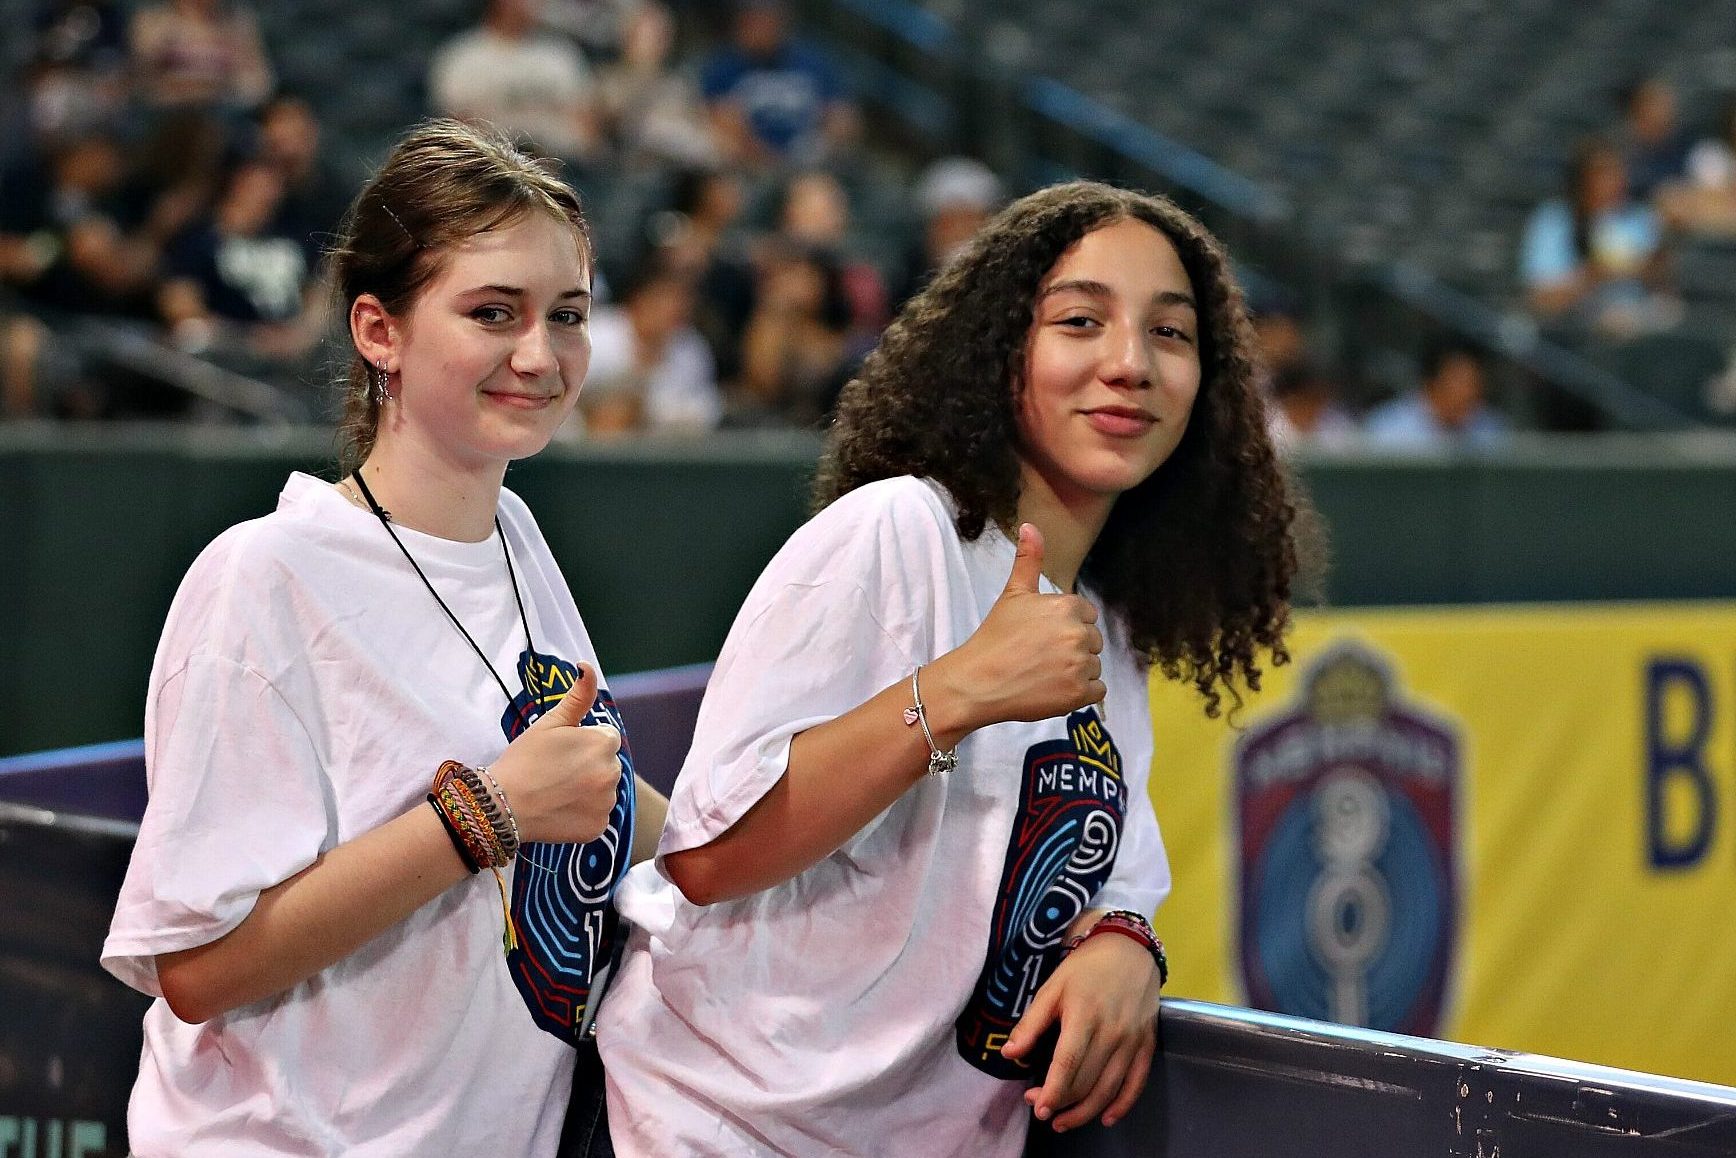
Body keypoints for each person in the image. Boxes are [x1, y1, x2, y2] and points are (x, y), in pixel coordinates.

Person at [600, 180, 1299, 1154]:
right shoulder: (895, 531)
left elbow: (1113, 881)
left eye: (1170, 334)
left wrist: (1123, 946)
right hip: (721, 1127)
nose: (1129, 362)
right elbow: (709, 856)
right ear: (998, 349)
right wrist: (958, 690)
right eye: (1079, 321)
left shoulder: (1105, 626)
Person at [101, 119, 666, 1157]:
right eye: (492, 312)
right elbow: (198, 968)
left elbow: (588, 793)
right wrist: (484, 815)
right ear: (379, 331)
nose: (540, 355)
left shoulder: (515, 534)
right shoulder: (264, 576)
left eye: (568, 315)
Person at [1521, 137, 1678, 338]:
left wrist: (1651, 269)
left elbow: (1665, 286)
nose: (1616, 180)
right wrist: (1596, 274)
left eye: (1618, 171)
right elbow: (1540, 299)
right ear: (1582, 178)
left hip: (1639, 327)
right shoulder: (1554, 220)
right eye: (1604, 172)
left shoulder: (1641, 218)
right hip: (1574, 331)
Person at [1363, 341, 1510, 450]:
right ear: (1431, 382)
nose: (1470, 392)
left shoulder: (1492, 429)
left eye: (1476, 382)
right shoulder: (1387, 430)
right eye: (1461, 382)